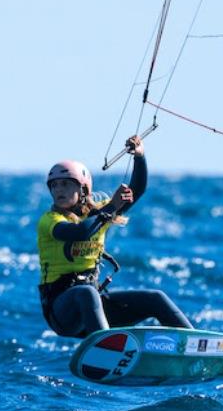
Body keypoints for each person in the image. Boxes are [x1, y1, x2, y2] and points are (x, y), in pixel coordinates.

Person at [37, 135, 194, 338]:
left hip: (93, 308)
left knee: (155, 298)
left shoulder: (100, 213)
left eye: (66, 184)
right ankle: (107, 347)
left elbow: (137, 190)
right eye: (54, 185)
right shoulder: (50, 220)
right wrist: (112, 206)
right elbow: (80, 233)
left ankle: (194, 344)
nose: (59, 190)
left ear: (83, 188)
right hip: (62, 312)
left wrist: (139, 156)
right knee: (87, 293)